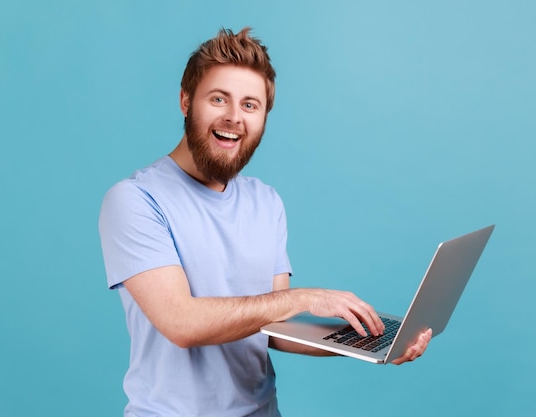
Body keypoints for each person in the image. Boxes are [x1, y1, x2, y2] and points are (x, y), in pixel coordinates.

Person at [99, 27, 432, 417]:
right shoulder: (135, 199)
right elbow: (181, 323)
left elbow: (276, 329)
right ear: (186, 101)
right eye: (218, 98)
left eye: (250, 105)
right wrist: (304, 297)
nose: (233, 118)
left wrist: (371, 344)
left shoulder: (266, 201)